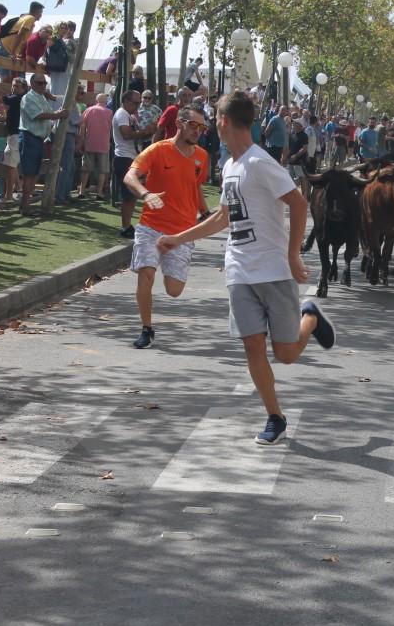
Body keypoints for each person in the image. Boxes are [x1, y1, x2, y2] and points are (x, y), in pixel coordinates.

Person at [155, 90, 335, 445]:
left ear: (223, 122)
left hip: (274, 270)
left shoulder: (259, 162)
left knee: (284, 355)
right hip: (239, 271)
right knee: (253, 346)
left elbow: (299, 205)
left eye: (213, 122)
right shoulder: (230, 166)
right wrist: (178, 238)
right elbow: (223, 217)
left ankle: (310, 317)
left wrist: (293, 254)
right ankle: (275, 417)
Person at [122, 105, 210, 349]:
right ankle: (146, 329)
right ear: (180, 123)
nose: (198, 131)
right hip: (151, 225)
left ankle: (167, 265)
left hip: (182, 231)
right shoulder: (157, 150)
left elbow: (195, 185)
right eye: (194, 125)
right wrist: (146, 193)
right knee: (146, 272)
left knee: (174, 290)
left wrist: (204, 211)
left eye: (202, 127)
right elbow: (130, 176)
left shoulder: (202, 157)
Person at [18, 72, 67, 215]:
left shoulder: (40, 97)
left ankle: (25, 205)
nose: (43, 85)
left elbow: (48, 115)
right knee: (29, 173)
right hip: (30, 137)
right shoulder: (28, 97)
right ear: (32, 84)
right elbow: (38, 115)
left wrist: (57, 114)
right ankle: (25, 206)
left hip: (38, 139)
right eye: (40, 83)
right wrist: (57, 115)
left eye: (45, 83)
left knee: (34, 173)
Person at [112, 89, 157, 237]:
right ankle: (125, 227)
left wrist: (147, 131)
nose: (138, 106)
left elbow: (134, 134)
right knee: (128, 196)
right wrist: (145, 132)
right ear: (126, 101)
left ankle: (127, 225)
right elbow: (126, 134)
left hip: (130, 156)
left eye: (139, 103)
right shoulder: (122, 114)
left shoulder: (129, 115)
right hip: (123, 157)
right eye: (136, 102)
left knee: (131, 196)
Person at [0, 1, 43, 82]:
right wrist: (13, 52)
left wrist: (16, 53)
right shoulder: (30, 18)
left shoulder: (24, 17)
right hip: (5, 49)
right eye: (40, 12)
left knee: (8, 80)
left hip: (3, 48)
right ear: (37, 11)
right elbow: (20, 34)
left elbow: (22, 40)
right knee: (7, 80)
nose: (41, 15)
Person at [78, 92, 112, 199]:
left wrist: (81, 141)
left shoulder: (89, 110)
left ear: (96, 101)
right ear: (106, 102)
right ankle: (99, 192)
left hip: (90, 143)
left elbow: (82, 127)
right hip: (104, 144)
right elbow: (112, 129)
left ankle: (82, 191)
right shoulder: (110, 112)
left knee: (86, 169)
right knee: (103, 170)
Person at [55, 85, 83, 204]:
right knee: (66, 167)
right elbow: (76, 121)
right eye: (81, 92)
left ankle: (65, 194)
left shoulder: (72, 102)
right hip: (67, 135)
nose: (82, 94)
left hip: (68, 135)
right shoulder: (70, 103)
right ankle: (61, 196)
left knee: (70, 167)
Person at [0, 76, 25, 201]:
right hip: (16, 134)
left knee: (10, 165)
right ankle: (19, 188)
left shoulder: (16, 98)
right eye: (13, 85)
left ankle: (9, 195)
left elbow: (2, 99)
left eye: (17, 86)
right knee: (12, 164)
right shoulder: (21, 98)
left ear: (23, 88)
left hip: (14, 135)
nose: (14, 88)